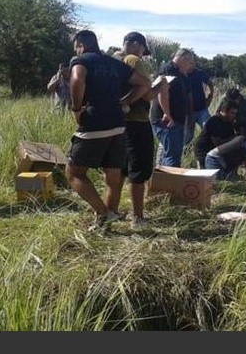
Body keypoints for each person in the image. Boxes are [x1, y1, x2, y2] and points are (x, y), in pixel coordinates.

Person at [65, 29, 156, 230]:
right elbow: (145, 84)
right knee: (113, 176)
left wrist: (77, 109)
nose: (76, 51)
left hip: (94, 121)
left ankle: (103, 212)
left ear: (81, 45)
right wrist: (124, 102)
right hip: (118, 125)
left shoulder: (81, 61)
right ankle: (105, 222)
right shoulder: (113, 63)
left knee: (74, 173)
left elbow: (78, 78)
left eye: (76, 47)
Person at [116, 31, 168, 229]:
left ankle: (111, 210)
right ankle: (137, 217)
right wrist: (161, 86)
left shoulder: (112, 60)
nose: (142, 54)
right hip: (137, 122)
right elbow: (146, 94)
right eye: (142, 50)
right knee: (138, 171)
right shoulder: (133, 61)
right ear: (136, 44)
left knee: (119, 170)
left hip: (117, 123)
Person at [150, 47, 194, 167]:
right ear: (183, 59)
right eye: (190, 62)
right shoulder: (168, 69)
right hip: (167, 121)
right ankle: (170, 178)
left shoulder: (181, 74)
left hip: (177, 121)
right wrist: (167, 113)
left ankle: (161, 177)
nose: (190, 66)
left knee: (172, 154)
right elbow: (162, 90)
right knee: (172, 156)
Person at [193, 99, 238, 169]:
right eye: (232, 113)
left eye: (235, 114)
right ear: (225, 111)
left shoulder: (228, 121)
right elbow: (218, 142)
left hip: (214, 153)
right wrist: (236, 138)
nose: (234, 116)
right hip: (203, 153)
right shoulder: (214, 121)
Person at [184, 65, 214, 145]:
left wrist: (210, 97)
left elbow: (210, 83)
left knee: (209, 129)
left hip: (201, 109)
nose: (191, 64)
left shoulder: (199, 73)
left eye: (192, 62)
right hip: (187, 112)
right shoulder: (182, 73)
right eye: (189, 62)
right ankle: (186, 150)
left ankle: (209, 147)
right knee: (187, 136)